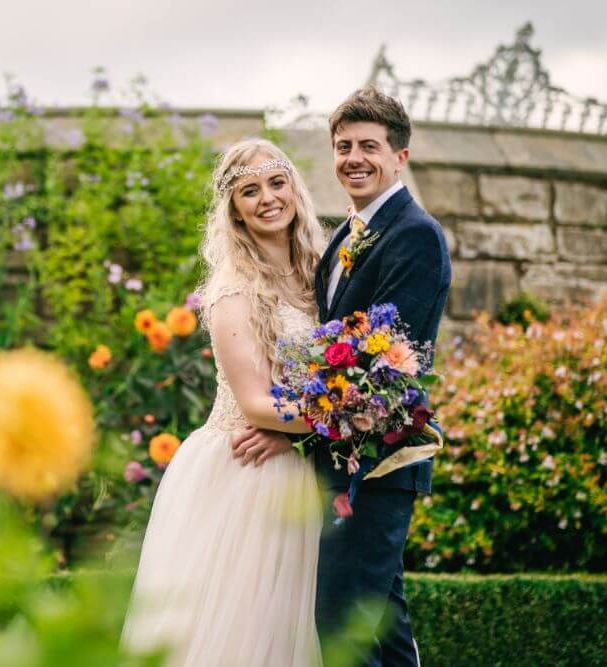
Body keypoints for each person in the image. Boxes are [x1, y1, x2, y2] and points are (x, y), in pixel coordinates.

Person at [122, 138, 327, 666]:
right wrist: (344, 419)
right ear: (234, 210)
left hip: (290, 463)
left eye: (276, 183)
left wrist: (308, 429)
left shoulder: (316, 278)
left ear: (295, 190)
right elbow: (257, 405)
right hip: (242, 469)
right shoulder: (234, 289)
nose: (267, 199)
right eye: (249, 191)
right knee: (237, 629)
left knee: (282, 631)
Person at [308, 87, 452, 667]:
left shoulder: (414, 234)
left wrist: (294, 421)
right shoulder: (347, 233)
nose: (354, 158)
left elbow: (387, 366)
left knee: (343, 625)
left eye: (369, 145)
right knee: (383, 629)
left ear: (401, 156)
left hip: (378, 461)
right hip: (345, 460)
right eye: (343, 146)